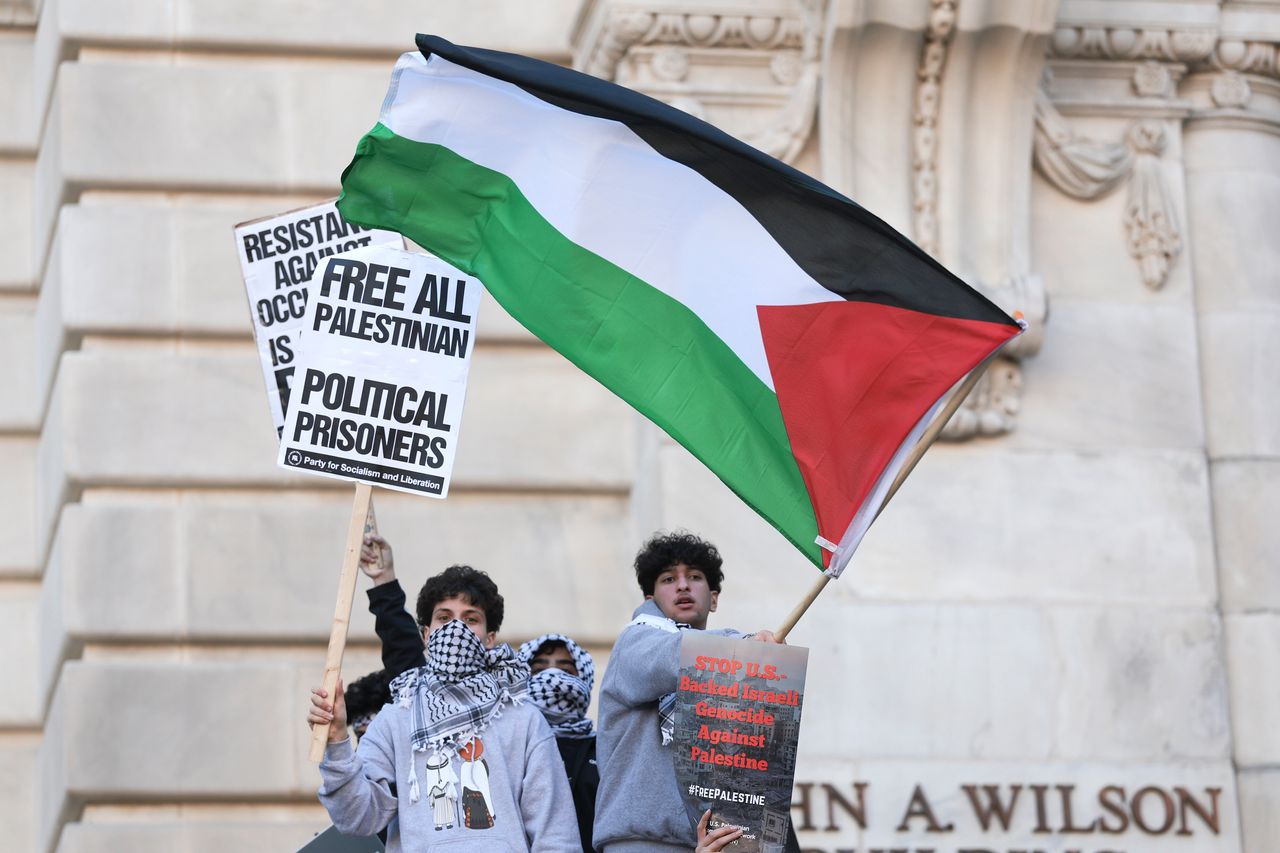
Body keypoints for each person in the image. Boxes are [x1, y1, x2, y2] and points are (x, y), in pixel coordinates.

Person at [308, 548, 581, 852]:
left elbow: (556, 835)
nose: (456, 629)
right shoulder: (397, 717)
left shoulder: (524, 718)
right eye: (444, 618)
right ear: (426, 635)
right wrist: (336, 743)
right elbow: (357, 817)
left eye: (471, 618)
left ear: (489, 638)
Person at [592, 531, 785, 852]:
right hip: (641, 841)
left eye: (694, 576)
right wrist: (743, 645)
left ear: (713, 598)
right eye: (668, 578)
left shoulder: (727, 668)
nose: (682, 585)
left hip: (706, 842)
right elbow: (672, 657)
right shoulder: (636, 641)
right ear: (649, 600)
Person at [518, 634, 599, 853]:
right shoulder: (510, 746)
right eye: (537, 670)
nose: (552, 677)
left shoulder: (605, 750)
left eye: (566, 672)